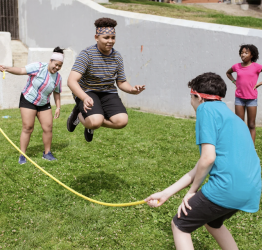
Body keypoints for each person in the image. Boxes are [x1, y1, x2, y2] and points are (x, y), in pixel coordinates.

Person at [145, 73, 261, 250]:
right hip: (250, 188)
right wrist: (166, 193)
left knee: (180, 225)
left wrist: (192, 192)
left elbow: (208, 158)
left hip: (226, 187)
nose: (191, 103)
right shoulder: (233, 118)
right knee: (213, 223)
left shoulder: (205, 110)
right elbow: (201, 165)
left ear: (197, 97)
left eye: (191, 98)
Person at [67, 17, 145, 142]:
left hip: (108, 92)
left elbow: (121, 82)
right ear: (96, 37)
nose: (110, 41)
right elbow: (71, 81)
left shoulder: (117, 56)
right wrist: (84, 98)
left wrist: (132, 89)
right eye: (106, 37)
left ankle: (91, 120)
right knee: (94, 122)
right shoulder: (86, 54)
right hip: (87, 91)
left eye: (113, 37)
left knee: (122, 121)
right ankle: (80, 115)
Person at [0, 47, 64, 164]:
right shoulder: (38, 67)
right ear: (50, 61)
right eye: (56, 64)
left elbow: (57, 92)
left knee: (48, 128)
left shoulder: (58, 78)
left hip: (44, 103)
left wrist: (58, 107)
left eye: (60, 66)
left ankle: (47, 153)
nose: (57, 68)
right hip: (28, 100)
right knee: (28, 127)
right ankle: (22, 155)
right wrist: (7, 68)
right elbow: (21, 70)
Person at [226, 44, 262, 144]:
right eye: (242, 53)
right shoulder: (236, 66)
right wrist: (234, 81)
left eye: (246, 53)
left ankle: (251, 149)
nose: (243, 55)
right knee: (239, 124)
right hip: (239, 99)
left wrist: (259, 83)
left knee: (251, 125)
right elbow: (228, 73)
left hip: (251, 99)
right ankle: (240, 145)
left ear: (252, 55)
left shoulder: (256, 67)